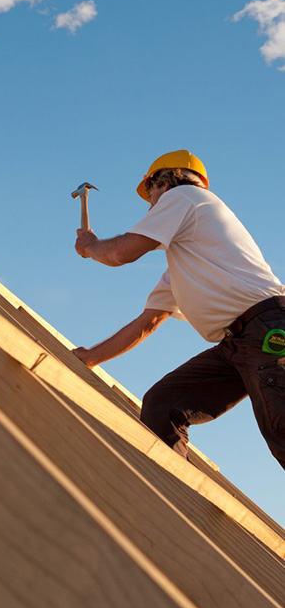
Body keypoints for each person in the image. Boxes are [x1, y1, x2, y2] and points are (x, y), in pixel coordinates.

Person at [73, 150, 285, 469]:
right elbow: (148, 322)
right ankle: (176, 496)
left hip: (267, 327)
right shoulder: (183, 267)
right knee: (163, 405)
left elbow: (121, 252)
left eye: (151, 193)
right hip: (237, 345)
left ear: (166, 179)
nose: (150, 205)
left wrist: (90, 247)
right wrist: (91, 358)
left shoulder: (185, 196)